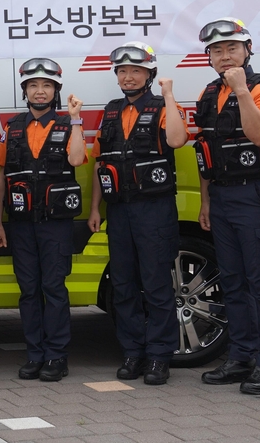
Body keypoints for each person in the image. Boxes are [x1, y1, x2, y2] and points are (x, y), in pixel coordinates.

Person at [194, 17, 260, 395]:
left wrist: (242, 91)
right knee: (232, 281)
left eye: (231, 48)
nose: (224, 56)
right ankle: (241, 356)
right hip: (221, 196)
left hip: (256, 195)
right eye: (216, 51)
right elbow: (205, 152)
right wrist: (205, 200)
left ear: (248, 49)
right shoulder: (207, 94)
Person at [87, 42, 188, 386]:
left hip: (154, 209)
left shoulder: (163, 107)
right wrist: (94, 208)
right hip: (119, 210)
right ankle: (133, 351)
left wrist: (170, 96)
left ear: (149, 74)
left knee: (157, 284)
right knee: (124, 284)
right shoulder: (112, 111)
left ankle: (160, 356)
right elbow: (103, 163)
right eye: (123, 71)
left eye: (136, 71)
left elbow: (176, 140)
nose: (128, 77)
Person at [0, 58, 86, 382]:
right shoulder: (12, 127)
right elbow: (3, 175)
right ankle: (35, 354)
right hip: (20, 223)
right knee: (28, 289)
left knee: (54, 288)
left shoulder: (67, 124)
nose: (40, 91)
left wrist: (76, 120)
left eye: (47, 85)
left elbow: (76, 159)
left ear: (56, 90)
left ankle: (57, 357)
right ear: (25, 91)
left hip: (55, 223)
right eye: (33, 85)